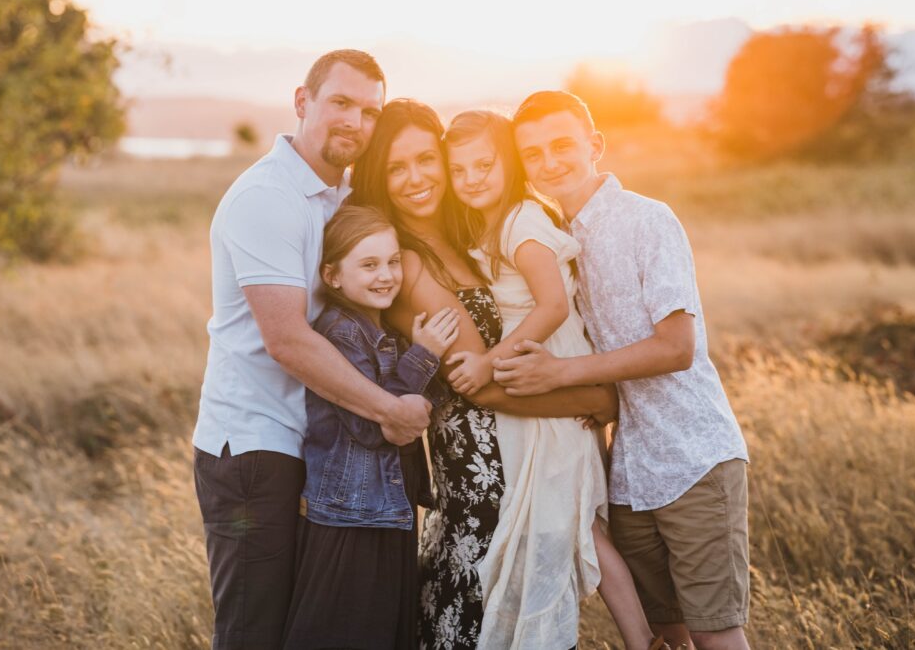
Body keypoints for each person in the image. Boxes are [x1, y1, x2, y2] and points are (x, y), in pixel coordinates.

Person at [347, 99, 618, 650]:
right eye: (397, 168)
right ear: (379, 175)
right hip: (484, 467)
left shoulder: (475, 228)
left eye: (427, 159)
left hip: (524, 447)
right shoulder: (410, 260)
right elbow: (481, 383)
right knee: (478, 620)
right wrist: (596, 397)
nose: (418, 178)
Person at [191, 50, 434, 650]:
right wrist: (389, 409)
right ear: (303, 102)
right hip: (253, 448)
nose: (355, 121)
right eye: (341, 103)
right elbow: (287, 339)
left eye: (370, 111)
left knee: (305, 629)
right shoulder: (267, 198)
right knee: (255, 631)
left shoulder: (336, 198)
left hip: (310, 444)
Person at [495, 90, 751, 650]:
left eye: (561, 145)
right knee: (667, 633)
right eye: (533, 154)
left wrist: (560, 373)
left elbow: (676, 347)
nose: (549, 162)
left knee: (715, 635)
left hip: (691, 457)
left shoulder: (647, 220)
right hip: (629, 472)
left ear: (596, 145)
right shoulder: (550, 242)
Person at [442, 109, 665, 650]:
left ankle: (642, 641)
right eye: (460, 169)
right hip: (538, 369)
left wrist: (489, 361)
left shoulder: (520, 221)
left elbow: (554, 305)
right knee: (572, 520)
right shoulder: (502, 221)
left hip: (544, 367)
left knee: (574, 520)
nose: (472, 178)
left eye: (484, 164)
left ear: (509, 164)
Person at [282, 206, 458, 649]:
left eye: (393, 261)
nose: (386, 275)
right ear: (333, 275)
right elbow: (372, 425)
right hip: (349, 517)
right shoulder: (341, 332)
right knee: (347, 633)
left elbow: (416, 403)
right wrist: (425, 354)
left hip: (383, 511)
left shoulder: (381, 330)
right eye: (369, 264)